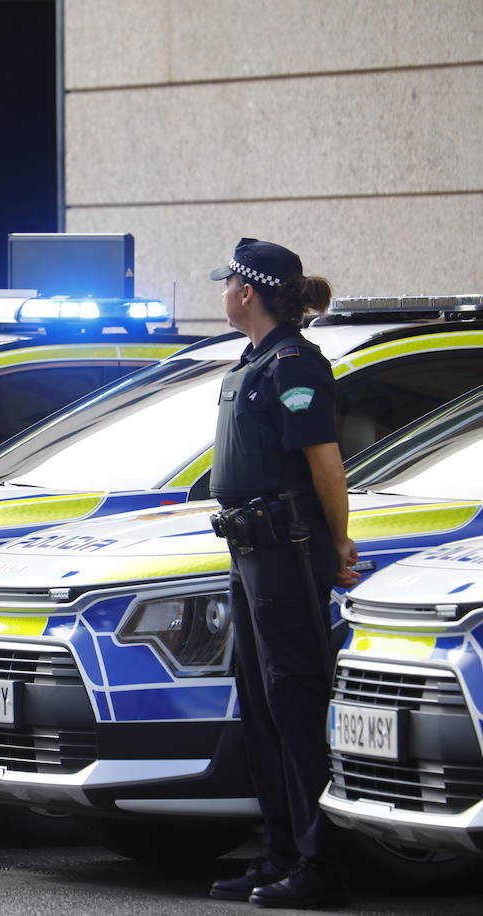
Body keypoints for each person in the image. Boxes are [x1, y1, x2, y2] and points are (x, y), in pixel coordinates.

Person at [206, 239, 360, 908]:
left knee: (295, 702)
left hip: (286, 546)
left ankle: (322, 867)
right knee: (263, 706)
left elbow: (326, 466)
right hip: (249, 551)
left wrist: (339, 540)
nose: (224, 292)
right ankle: (278, 854)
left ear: (248, 292)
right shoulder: (253, 362)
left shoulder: (294, 362)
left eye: (229, 283)